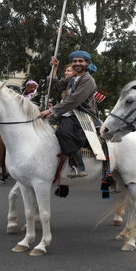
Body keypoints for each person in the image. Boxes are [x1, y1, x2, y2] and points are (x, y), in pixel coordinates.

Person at [40, 50, 98, 178]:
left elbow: (74, 100)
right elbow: (54, 87)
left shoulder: (88, 80)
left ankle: (78, 166)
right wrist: (54, 69)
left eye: (80, 61)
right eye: (74, 61)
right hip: (68, 114)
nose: (77, 63)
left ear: (87, 63)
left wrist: (51, 110)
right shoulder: (73, 78)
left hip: (82, 116)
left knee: (62, 132)